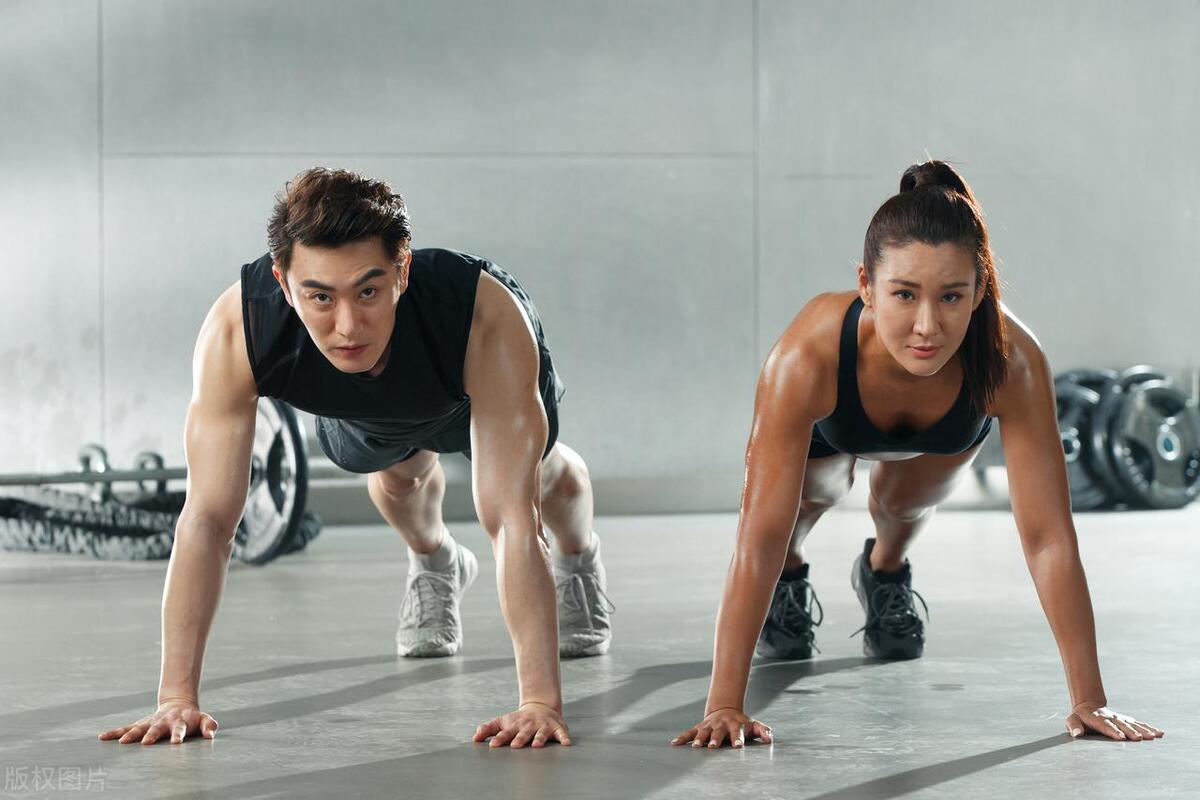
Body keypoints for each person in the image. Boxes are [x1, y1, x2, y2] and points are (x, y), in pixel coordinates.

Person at [98, 167, 612, 750]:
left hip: (468, 383)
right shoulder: (238, 330)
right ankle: (438, 562)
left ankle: (579, 561)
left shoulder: (481, 316)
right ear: (283, 284)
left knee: (540, 487)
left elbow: (511, 522)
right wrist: (176, 700)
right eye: (320, 296)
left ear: (403, 269)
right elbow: (208, 519)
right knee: (397, 483)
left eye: (369, 290)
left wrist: (539, 702)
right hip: (369, 413)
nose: (347, 326)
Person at [673, 161, 1164, 749]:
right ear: (866, 285)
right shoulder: (808, 356)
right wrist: (725, 703)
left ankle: (883, 574)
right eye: (903, 294)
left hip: (943, 430)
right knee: (807, 502)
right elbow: (755, 536)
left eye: (952, 296)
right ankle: (793, 573)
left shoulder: (1014, 361)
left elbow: (1048, 538)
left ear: (980, 291)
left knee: (902, 505)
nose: (927, 326)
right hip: (836, 427)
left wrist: (1091, 699)